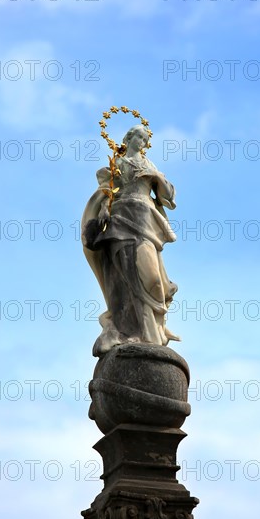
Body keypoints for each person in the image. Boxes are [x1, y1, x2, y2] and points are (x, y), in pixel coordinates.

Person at [81, 124, 180, 357]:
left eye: (146, 139)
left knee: (154, 280)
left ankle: (153, 331)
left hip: (146, 220)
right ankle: (137, 332)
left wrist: (155, 176)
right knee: (127, 278)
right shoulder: (119, 164)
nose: (143, 142)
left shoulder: (149, 165)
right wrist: (105, 208)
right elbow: (107, 191)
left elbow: (168, 196)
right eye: (140, 137)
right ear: (129, 138)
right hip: (121, 221)